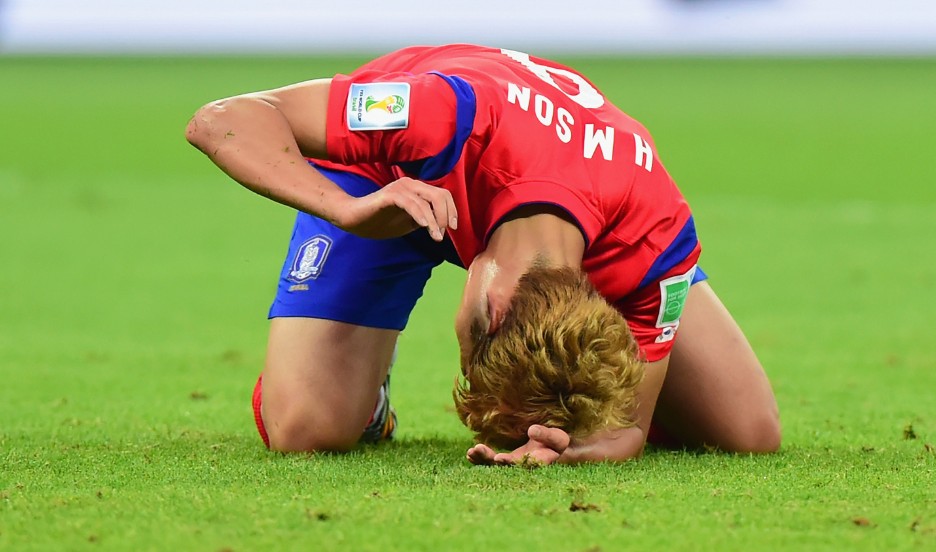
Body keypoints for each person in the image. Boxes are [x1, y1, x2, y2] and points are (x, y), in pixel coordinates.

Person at [184, 44, 781, 465]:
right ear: (490, 310)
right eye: (468, 355)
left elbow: (628, 431)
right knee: (306, 430)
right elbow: (223, 120)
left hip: (570, 190)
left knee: (748, 432)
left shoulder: (651, 243)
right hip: (391, 185)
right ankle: (369, 390)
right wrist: (346, 210)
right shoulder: (443, 114)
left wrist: (564, 445)